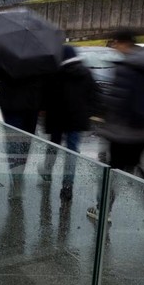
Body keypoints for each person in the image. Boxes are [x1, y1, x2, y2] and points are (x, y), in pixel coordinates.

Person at [88, 29, 144, 220]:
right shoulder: (142, 63)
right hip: (141, 132)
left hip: (121, 132)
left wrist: (100, 107)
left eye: (115, 43)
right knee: (137, 170)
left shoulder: (126, 67)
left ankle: (103, 209)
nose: (114, 46)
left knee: (110, 173)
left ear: (122, 43)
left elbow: (116, 100)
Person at [39, 45, 96, 201]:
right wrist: (87, 113)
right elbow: (94, 97)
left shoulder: (55, 73)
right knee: (72, 151)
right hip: (77, 119)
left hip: (56, 118)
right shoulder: (86, 73)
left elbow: (45, 96)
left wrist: (43, 109)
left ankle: (47, 172)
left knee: (53, 146)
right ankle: (68, 185)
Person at [0, 63, 46, 198]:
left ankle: (16, 177)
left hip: (11, 102)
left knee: (14, 141)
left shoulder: (9, 51)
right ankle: (18, 174)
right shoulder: (39, 54)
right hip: (31, 103)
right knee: (25, 141)